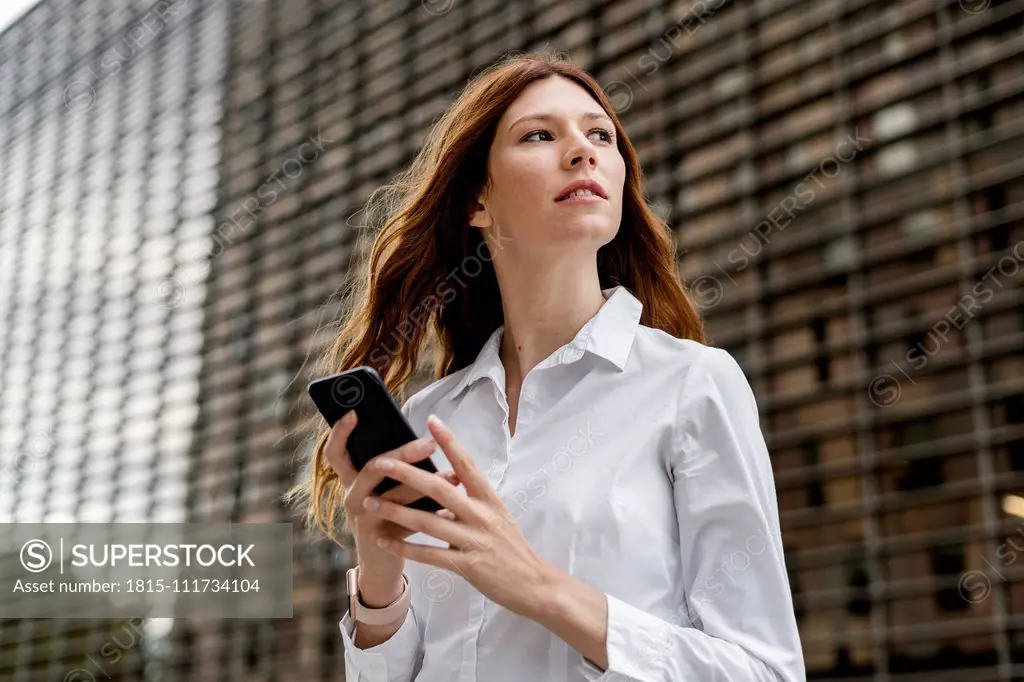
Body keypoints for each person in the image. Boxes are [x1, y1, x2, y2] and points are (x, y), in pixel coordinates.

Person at [285, 50, 805, 682]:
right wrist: (380, 573)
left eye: (600, 135)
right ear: (478, 199)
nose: (583, 151)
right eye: (539, 135)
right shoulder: (426, 420)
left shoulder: (692, 384)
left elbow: (765, 671)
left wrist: (540, 588)